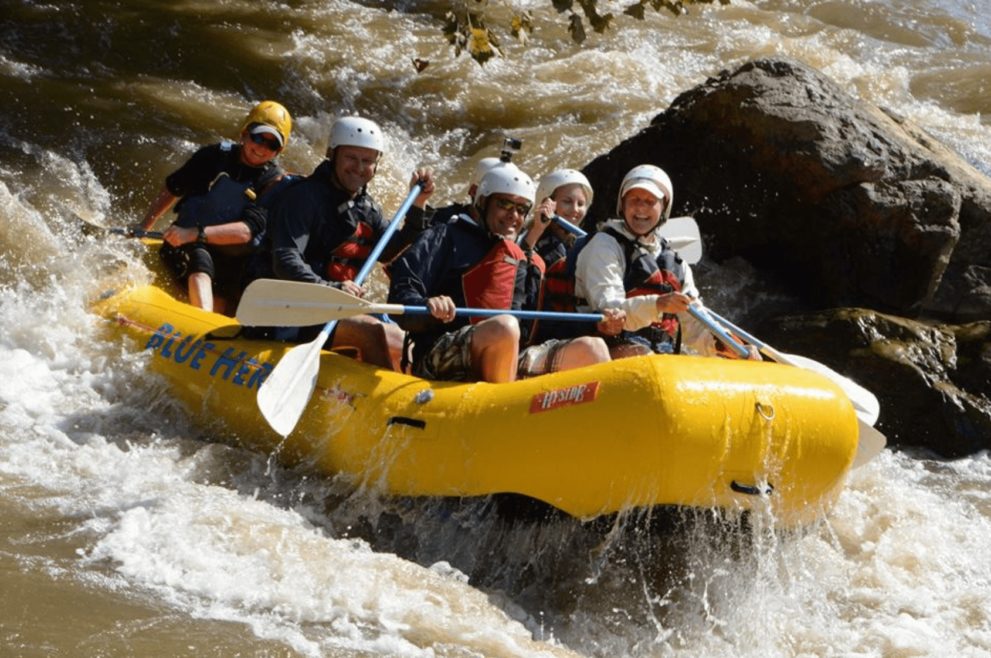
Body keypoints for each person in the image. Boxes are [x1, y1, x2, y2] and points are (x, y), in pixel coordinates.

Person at [388, 164, 614, 383]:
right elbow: (401, 293)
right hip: (441, 353)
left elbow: (542, 325)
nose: (513, 215)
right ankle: (501, 409)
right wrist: (427, 305)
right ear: (483, 202)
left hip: (510, 358)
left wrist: (598, 324)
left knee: (591, 348)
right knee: (504, 328)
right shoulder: (445, 236)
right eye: (504, 204)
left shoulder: (526, 259)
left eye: (521, 209)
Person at [257, 115, 435, 371]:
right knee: (371, 331)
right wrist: (331, 287)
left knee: (398, 338)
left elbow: (389, 252)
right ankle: (383, 404)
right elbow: (285, 260)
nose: (359, 167)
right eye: (351, 158)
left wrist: (418, 205)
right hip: (293, 309)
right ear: (332, 154)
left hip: (334, 308)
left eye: (368, 161)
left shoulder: (365, 207)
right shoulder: (303, 198)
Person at [574, 164, 760, 360]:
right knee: (642, 354)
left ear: (663, 208)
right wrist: (657, 304)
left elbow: (695, 325)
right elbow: (609, 308)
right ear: (623, 204)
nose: (640, 207)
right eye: (634, 199)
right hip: (605, 349)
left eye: (650, 201)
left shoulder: (676, 264)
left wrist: (731, 345)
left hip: (660, 354)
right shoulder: (603, 246)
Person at [138, 100, 293, 315]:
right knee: (200, 257)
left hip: (231, 260)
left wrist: (196, 234)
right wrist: (144, 227)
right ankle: (202, 322)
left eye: (272, 145)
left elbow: (247, 231)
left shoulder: (272, 182)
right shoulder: (213, 157)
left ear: (279, 151)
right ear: (244, 134)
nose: (261, 148)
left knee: (246, 283)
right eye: (258, 138)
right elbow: (174, 187)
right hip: (185, 246)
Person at [428, 156, 501, 226]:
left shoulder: (509, 231)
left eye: (512, 205)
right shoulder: (444, 220)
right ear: (474, 192)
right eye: (503, 203)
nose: (512, 215)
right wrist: (420, 202)